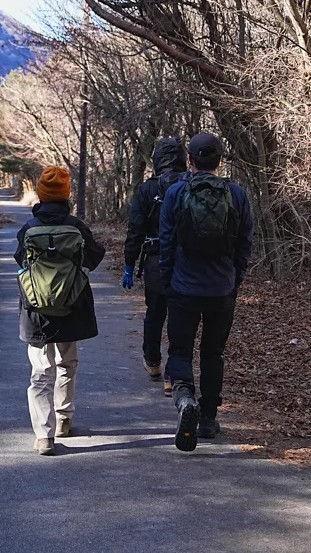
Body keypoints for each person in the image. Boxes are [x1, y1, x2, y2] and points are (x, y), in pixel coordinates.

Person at [157, 132, 253, 452]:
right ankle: (209, 418)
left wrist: (167, 281)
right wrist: (234, 281)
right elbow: (244, 245)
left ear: (190, 161)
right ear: (220, 161)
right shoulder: (237, 195)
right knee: (213, 354)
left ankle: (185, 400)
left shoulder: (174, 192)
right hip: (221, 290)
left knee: (181, 350)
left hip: (183, 288)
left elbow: (166, 243)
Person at [15, 165, 106, 456]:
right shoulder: (76, 227)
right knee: (68, 362)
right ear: (67, 195)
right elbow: (95, 255)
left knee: (41, 371)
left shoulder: (29, 229)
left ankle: (44, 435)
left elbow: (21, 261)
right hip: (71, 304)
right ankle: (64, 418)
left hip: (36, 309)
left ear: (40, 195)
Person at [122, 136, 186, 387]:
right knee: (180, 317)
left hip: (155, 261)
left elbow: (135, 229)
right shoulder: (190, 184)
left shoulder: (148, 189)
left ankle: (153, 362)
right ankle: (174, 373)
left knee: (155, 314)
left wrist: (129, 264)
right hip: (186, 263)